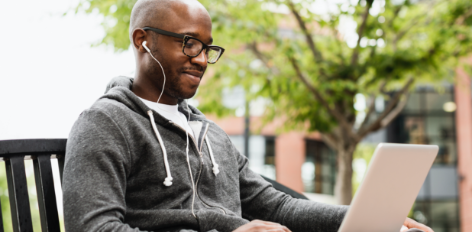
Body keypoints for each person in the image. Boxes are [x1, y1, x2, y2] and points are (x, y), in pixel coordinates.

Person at [62, 0, 434, 231]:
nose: (202, 59)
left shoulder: (209, 134)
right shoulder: (105, 123)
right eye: (189, 43)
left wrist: (367, 221)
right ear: (143, 40)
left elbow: (278, 206)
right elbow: (95, 227)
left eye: (208, 48)